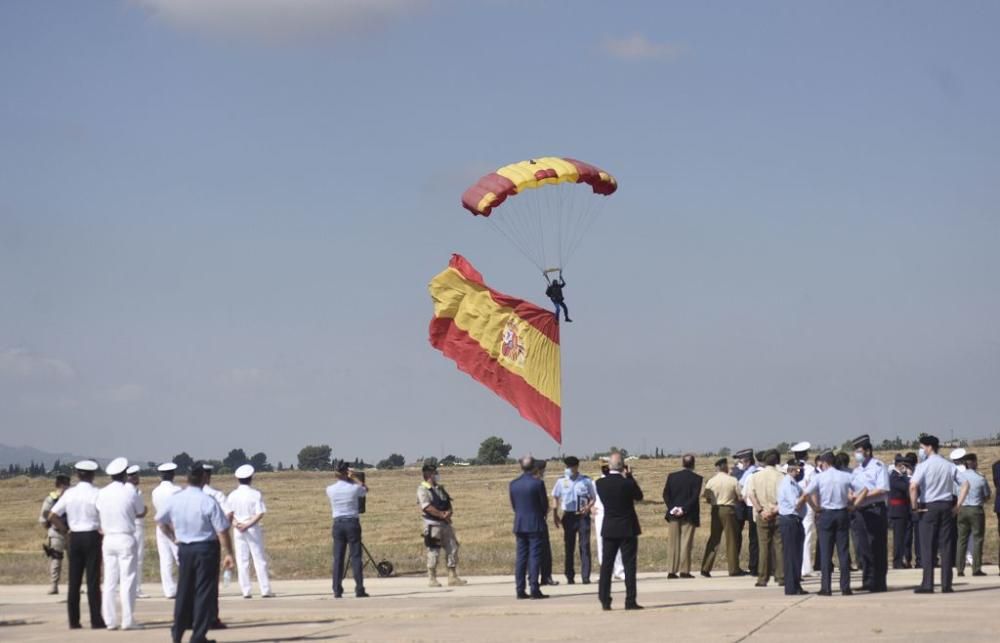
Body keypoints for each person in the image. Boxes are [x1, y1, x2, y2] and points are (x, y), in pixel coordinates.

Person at [156, 463, 234, 643]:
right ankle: (198, 635)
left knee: (184, 591)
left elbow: (160, 520)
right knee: (203, 593)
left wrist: (173, 536)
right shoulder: (207, 500)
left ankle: (177, 632)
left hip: (185, 549)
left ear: (186, 479)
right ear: (204, 479)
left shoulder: (175, 498)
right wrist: (228, 553)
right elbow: (222, 530)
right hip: (205, 549)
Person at [48, 460, 106, 630]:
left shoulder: (69, 494)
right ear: (92, 475)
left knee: (74, 581)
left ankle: (73, 620)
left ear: (78, 475)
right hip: (92, 535)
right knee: (93, 581)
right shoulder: (97, 493)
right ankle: (96, 620)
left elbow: (52, 515)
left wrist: (65, 531)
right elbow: (104, 513)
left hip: (75, 537)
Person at [95, 457, 145, 630]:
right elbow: (140, 511)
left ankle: (109, 620)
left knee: (109, 581)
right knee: (128, 580)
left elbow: (99, 510)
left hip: (108, 539)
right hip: (125, 536)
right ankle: (127, 620)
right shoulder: (130, 491)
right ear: (124, 474)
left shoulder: (102, 493)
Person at [910, 434, 961, 594]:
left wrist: (914, 507)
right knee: (946, 546)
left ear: (929, 447)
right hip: (946, 506)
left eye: (922, 447)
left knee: (927, 547)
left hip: (929, 507)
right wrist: (958, 505)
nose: (921, 450)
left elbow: (913, 487)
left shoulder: (923, 466)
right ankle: (946, 584)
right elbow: (965, 483)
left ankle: (928, 583)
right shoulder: (948, 465)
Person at [802, 451, 858, 596]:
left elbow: (806, 493)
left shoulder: (819, 477)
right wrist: (854, 505)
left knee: (826, 553)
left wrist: (815, 508)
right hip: (842, 512)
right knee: (843, 552)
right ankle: (845, 587)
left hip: (826, 513)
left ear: (824, 463)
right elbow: (862, 488)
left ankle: (826, 587)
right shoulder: (845, 476)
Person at [596, 452, 644, 611]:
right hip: (627, 527)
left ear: (609, 466)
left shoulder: (600, 484)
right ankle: (630, 600)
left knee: (607, 565)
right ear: (623, 466)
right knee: (629, 565)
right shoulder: (627, 484)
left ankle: (605, 599)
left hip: (609, 527)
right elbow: (639, 496)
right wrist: (630, 477)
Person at [227, 464, 274, 598]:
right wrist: (248, 525)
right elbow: (260, 513)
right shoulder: (255, 494)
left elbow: (229, 514)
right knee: (259, 558)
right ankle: (265, 589)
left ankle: (246, 590)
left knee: (242, 560)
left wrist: (237, 524)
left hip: (238, 529)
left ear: (238, 479)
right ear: (250, 478)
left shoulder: (232, 495)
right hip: (252, 528)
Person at [850, 434, 890, 592]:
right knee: (863, 547)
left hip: (874, 509)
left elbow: (882, 489)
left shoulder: (878, 466)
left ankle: (879, 582)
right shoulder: (857, 470)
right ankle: (867, 580)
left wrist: (863, 495)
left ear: (867, 451)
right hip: (860, 511)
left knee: (877, 546)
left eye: (859, 451)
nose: (857, 454)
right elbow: (851, 487)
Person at [417, 462, 466, 587]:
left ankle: (452, 576)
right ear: (429, 474)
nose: (437, 475)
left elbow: (448, 502)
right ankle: (432, 578)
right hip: (433, 525)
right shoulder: (423, 489)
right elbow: (426, 506)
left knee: (453, 548)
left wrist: (449, 513)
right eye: (435, 473)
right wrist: (440, 514)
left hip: (446, 525)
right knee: (434, 551)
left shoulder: (440, 488)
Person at [326, 460, 369, 598]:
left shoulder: (330, 489)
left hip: (337, 523)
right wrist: (354, 477)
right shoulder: (354, 488)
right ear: (346, 473)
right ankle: (359, 588)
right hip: (352, 522)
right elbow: (365, 489)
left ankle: (337, 589)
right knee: (356, 557)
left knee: (338, 557)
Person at [551, 456, 595, 584]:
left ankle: (585, 576)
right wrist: (555, 513)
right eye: (567, 467)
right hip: (568, 516)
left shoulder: (586, 481)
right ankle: (569, 575)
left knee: (584, 545)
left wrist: (588, 507)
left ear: (576, 467)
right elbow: (555, 496)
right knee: (569, 546)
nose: (568, 469)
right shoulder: (561, 481)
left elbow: (593, 497)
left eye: (570, 467)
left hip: (582, 516)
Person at [510, 455, 549, 599]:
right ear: (534, 467)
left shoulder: (514, 484)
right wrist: (541, 514)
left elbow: (514, 505)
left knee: (521, 558)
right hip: (535, 523)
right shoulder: (537, 483)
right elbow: (544, 504)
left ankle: (520, 589)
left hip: (520, 523)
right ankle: (534, 588)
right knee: (534, 557)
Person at [700, 458, 744, 577]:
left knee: (714, 538)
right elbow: (740, 497)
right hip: (729, 509)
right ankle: (733, 568)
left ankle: (705, 567)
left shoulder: (711, 481)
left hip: (715, 509)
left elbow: (706, 497)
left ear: (717, 467)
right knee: (731, 540)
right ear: (725, 467)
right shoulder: (733, 480)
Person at [747, 449, 784, 588]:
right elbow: (786, 497)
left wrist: (760, 510)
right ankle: (781, 576)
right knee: (779, 546)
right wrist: (775, 509)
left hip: (762, 515)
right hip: (778, 513)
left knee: (763, 547)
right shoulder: (782, 476)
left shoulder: (755, 476)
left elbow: (751, 494)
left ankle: (762, 578)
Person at [662, 454, 703, 579]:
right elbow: (694, 497)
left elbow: (665, 494)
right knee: (686, 543)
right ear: (693, 464)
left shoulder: (672, 477)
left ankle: (671, 571)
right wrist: (683, 509)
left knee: (673, 543)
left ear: (682, 463)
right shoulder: (697, 478)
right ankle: (684, 571)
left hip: (673, 514)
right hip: (689, 514)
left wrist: (673, 508)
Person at [955, 453, 990, 577]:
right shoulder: (980, 477)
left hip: (962, 509)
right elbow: (987, 496)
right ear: (974, 462)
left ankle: (959, 568)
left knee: (961, 539)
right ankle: (976, 568)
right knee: (977, 539)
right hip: (976, 509)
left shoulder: (959, 477)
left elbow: (955, 493)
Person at [151, 462, 182, 598]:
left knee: (165, 559)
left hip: (160, 526)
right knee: (180, 557)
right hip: (175, 525)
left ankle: (169, 590)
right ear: (172, 474)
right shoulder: (177, 490)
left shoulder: (155, 491)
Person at [778, 459, 808, 595]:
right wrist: (806, 495)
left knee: (796, 555)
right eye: (798, 469)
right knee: (791, 556)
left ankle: (796, 585)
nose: (800, 471)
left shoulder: (793, 483)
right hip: (790, 521)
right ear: (792, 469)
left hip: (795, 521)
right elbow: (795, 503)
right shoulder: (788, 483)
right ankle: (791, 587)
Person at [593, 462, 625, 581]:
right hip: (600, 515)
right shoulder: (596, 482)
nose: (606, 469)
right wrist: (591, 507)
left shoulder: (618, 480)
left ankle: (619, 570)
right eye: (604, 467)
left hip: (614, 514)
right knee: (601, 544)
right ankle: (605, 572)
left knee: (617, 542)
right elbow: (591, 497)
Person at [38, 474, 70, 595]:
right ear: (62, 484)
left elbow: (43, 518)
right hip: (58, 532)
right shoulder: (51, 499)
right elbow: (44, 516)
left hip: (68, 532)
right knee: (57, 559)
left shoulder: (68, 498)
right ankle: (54, 585)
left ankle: (69, 585)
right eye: (66, 484)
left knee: (71, 561)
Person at [791, 442, 817, 577]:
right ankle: (805, 568)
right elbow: (812, 490)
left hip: (792, 504)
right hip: (806, 504)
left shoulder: (787, 467)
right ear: (806, 455)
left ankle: (796, 567)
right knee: (806, 536)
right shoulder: (810, 470)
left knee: (794, 537)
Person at [731, 448, 758, 576]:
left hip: (747, 506)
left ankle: (754, 565)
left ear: (746, 460)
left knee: (753, 537)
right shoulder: (741, 471)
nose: (739, 463)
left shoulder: (751, 471)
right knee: (739, 537)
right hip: (742, 506)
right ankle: (738, 566)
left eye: (740, 460)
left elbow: (740, 487)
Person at [533, 459, 559, 586]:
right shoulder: (539, 483)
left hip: (528, 524)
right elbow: (544, 507)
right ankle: (546, 576)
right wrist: (552, 507)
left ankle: (533, 577)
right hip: (539, 522)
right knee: (545, 552)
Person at [125, 465, 149, 599]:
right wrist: (145, 511)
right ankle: (137, 588)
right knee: (138, 558)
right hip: (137, 526)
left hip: (130, 526)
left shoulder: (128, 490)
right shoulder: (134, 492)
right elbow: (140, 512)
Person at [888, 454, 914, 569]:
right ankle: (897, 561)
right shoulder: (894, 477)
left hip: (903, 510)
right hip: (898, 511)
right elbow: (905, 487)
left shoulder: (900, 476)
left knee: (903, 537)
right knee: (898, 538)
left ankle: (902, 559)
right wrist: (908, 476)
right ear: (900, 465)